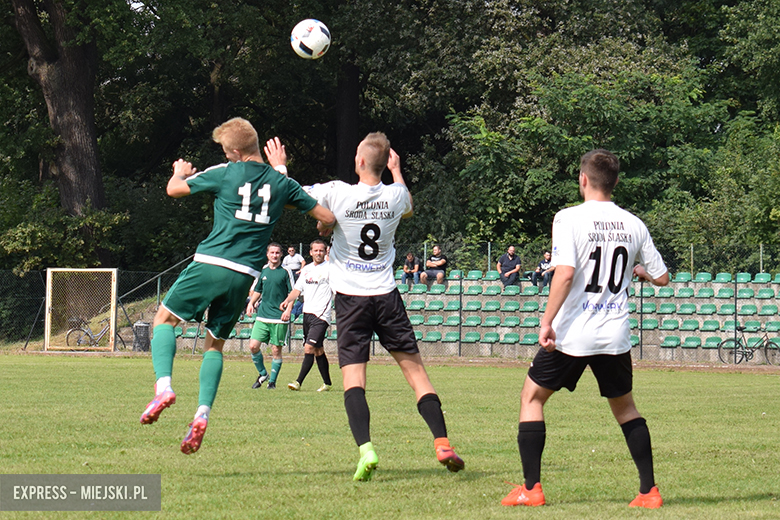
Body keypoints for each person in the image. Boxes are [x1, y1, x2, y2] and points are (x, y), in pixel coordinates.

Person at [139, 117, 334, 455]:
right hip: (244, 276)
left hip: (210, 263)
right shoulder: (282, 182)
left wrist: (179, 171)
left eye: (225, 151)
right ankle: (202, 414)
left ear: (235, 152)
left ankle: (164, 387)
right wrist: (285, 175)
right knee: (214, 346)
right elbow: (326, 217)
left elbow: (174, 190)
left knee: (164, 321)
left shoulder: (225, 173)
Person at [501, 149, 668, 509]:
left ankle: (531, 489)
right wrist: (640, 272)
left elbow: (565, 273)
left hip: (572, 334)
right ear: (616, 182)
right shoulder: (634, 224)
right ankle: (649, 491)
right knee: (626, 409)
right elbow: (663, 277)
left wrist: (546, 322)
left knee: (532, 398)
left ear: (583, 179)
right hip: (614, 334)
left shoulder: (568, 218)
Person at [308, 132, 464, 481]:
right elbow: (408, 205)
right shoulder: (396, 196)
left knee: (354, 380)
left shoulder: (337, 191)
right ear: (386, 163)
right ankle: (442, 442)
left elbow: (294, 196)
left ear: (360, 161)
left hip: (351, 299)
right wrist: (396, 171)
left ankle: (366, 450)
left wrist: (280, 170)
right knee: (417, 375)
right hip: (387, 295)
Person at [279, 239, 333, 392]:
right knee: (318, 350)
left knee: (309, 348)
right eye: (315, 250)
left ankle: (298, 382)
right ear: (310, 252)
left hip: (321, 315)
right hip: (307, 314)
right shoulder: (306, 269)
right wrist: (287, 301)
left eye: (321, 250)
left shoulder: (331, 269)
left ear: (325, 252)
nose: (318, 253)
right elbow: (297, 290)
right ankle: (327, 383)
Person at [245, 243, 295, 390]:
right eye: (272, 253)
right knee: (253, 346)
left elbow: (293, 293)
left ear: (281, 254)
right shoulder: (263, 270)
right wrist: (251, 303)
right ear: (267, 254)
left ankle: (272, 382)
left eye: (277, 253)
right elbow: (258, 290)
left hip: (279, 317)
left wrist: (288, 310)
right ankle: (263, 374)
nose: (274, 255)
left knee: (276, 350)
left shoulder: (286, 271)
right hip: (262, 315)